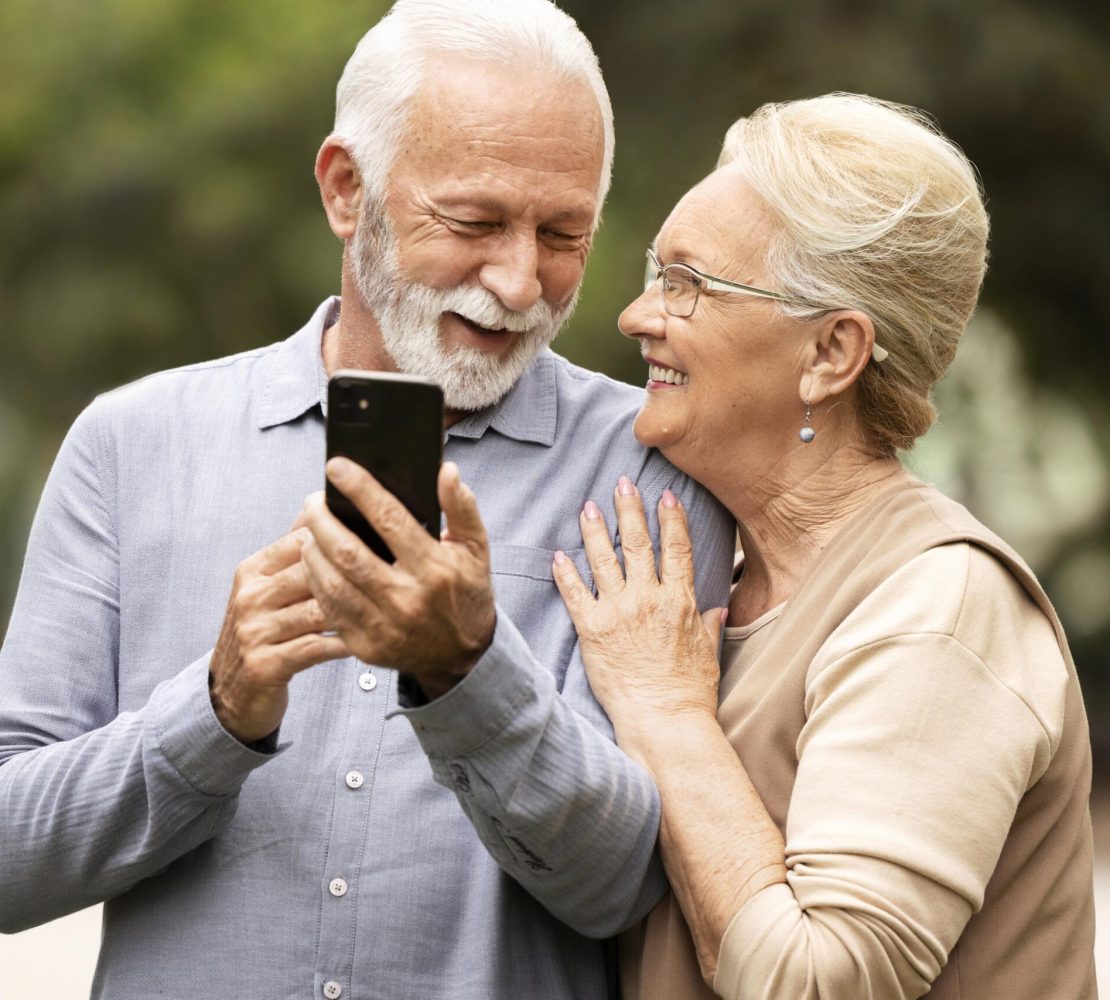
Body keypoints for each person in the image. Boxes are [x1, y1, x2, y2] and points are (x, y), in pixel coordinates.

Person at [0, 2, 736, 997]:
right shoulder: (132, 445)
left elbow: (629, 887)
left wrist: (468, 670)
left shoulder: (652, 469)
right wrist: (212, 713)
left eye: (564, 232)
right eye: (474, 222)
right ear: (348, 191)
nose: (521, 283)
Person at [551, 93, 1097, 999]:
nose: (638, 314)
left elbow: (815, 984)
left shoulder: (939, 609)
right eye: (657, 272)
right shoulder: (699, 586)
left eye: (687, 283)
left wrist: (664, 714)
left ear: (830, 354)